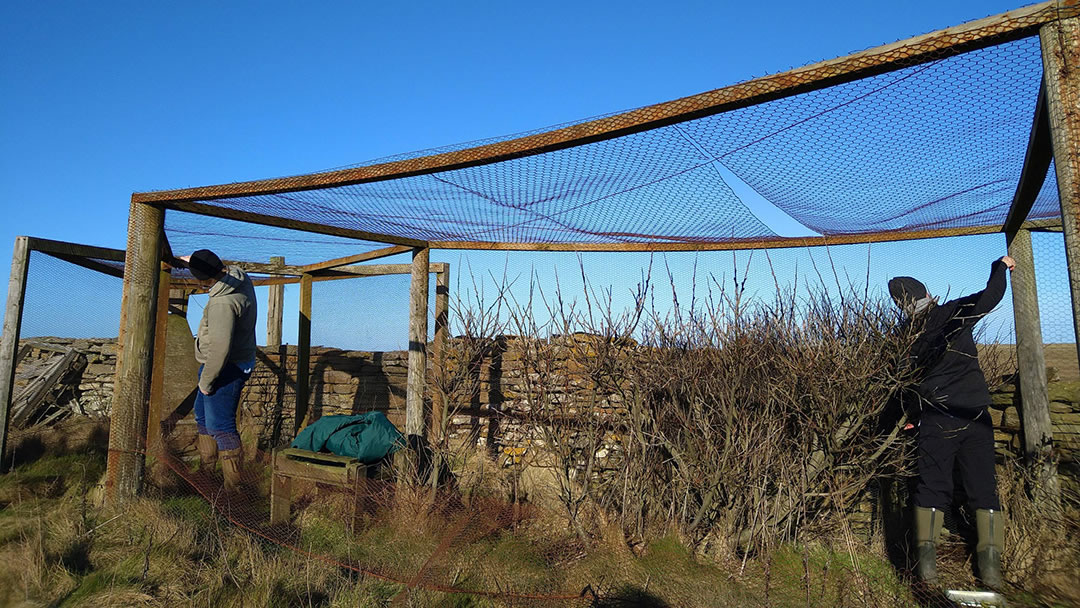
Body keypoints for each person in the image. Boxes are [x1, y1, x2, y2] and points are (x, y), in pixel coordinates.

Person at [889, 255, 1015, 590]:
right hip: (975, 416)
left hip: (935, 420)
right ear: (928, 294)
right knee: (983, 490)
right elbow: (992, 296)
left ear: (901, 305)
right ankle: (991, 575)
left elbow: (901, 384)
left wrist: (912, 418)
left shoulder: (903, 337)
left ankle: (926, 576)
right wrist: (999, 267)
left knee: (933, 489)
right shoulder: (952, 313)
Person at [181, 249, 258, 490]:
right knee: (202, 418)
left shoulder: (221, 304)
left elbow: (220, 349)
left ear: (202, 280)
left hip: (225, 368)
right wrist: (191, 262)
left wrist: (206, 382)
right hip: (227, 363)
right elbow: (212, 267)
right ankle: (207, 474)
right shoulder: (239, 278)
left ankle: (233, 491)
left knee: (220, 427)